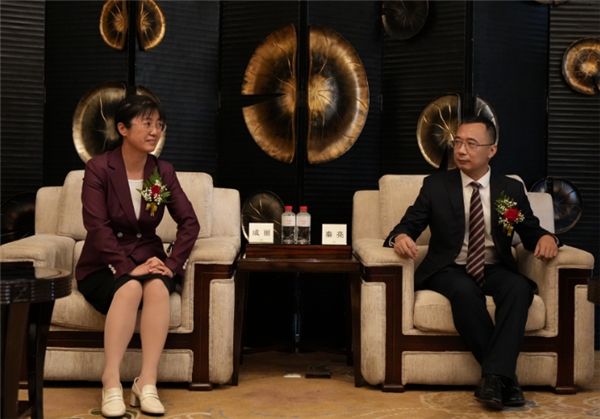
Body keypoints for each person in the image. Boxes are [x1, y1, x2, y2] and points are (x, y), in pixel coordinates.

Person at [384, 115, 559, 410]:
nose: (461, 150)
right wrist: (400, 237)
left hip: (495, 267)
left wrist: (547, 238)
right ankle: (505, 378)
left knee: (519, 289)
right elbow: (408, 225)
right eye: (458, 143)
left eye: (471, 144)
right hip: (448, 267)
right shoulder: (436, 185)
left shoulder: (510, 189)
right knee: (464, 291)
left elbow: (530, 230)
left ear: (492, 150)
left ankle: (495, 379)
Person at [76, 95, 200, 417]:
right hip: (103, 264)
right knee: (130, 287)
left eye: (159, 124)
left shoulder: (162, 171)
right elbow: (97, 226)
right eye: (147, 123)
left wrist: (171, 264)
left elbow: (190, 222)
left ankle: (146, 382)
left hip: (150, 257)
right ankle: (111, 382)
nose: (155, 131)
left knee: (157, 287)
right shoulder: (99, 169)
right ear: (122, 128)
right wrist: (127, 268)